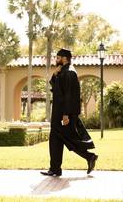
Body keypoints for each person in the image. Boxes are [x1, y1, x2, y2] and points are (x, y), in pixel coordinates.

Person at [41, 48, 98, 177]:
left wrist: (66, 114)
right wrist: (55, 75)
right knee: (56, 140)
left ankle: (90, 157)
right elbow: (55, 89)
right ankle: (55, 169)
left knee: (68, 139)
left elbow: (69, 95)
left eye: (57, 57)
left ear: (64, 58)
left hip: (64, 113)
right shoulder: (62, 71)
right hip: (58, 112)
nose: (56, 60)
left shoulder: (70, 73)